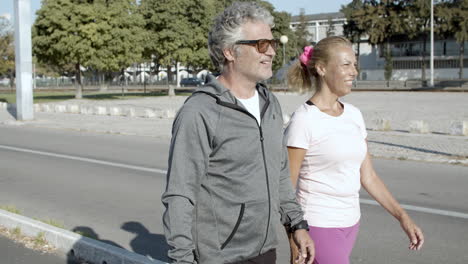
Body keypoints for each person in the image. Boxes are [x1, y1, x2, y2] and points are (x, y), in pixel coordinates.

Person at [161, 2, 314, 264]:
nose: (272, 52)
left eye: (273, 43)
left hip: (265, 250)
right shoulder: (200, 111)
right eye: (261, 45)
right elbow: (180, 194)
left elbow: (279, 172)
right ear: (230, 52)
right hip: (219, 256)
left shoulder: (270, 104)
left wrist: (296, 223)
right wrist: (182, 259)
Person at [284, 36, 424, 264]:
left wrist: (403, 217)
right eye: (345, 64)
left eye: (355, 65)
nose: (354, 72)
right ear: (321, 68)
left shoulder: (353, 115)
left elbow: (368, 176)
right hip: (317, 225)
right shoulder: (303, 120)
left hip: (350, 223)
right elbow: (286, 188)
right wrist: (293, 239)